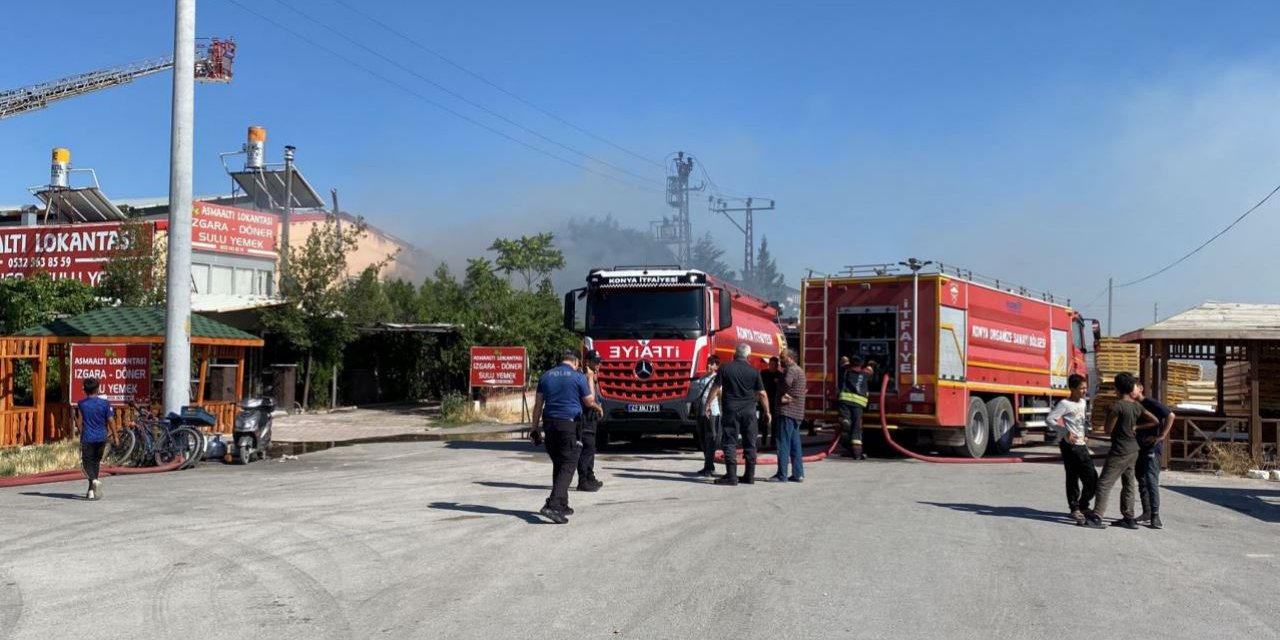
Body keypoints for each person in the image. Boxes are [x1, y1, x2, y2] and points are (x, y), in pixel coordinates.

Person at [530, 350, 601, 524]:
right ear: (576, 361)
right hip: (568, 425)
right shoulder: (578, 377)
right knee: (569, 465)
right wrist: (598, 407)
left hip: (549, 424)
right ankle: (553, 505)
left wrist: (535, 429)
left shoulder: (546, 376)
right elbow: (588, 401)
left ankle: (562, 503)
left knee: (559, 464)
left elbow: (538, 404)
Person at [1092, 372, 1158, 529]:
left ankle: (1097, 516)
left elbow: (1108, 429)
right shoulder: (1136, 406)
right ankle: (1129, 517)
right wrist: (1136, 427)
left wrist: (1109, 412)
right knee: (1128, 484)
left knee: (1104, 483)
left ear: (1117, 389)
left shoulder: (1117, 406)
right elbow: (1154, 421)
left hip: (1120, 450)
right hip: (1133, 449)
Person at [707, 343, 771, 486]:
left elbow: (715, 388)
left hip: (731, 411)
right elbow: (762, 394)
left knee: (730, 442)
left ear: (734, 354)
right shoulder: (754, 371)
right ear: (748, 356)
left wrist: (707, 404)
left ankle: (731, 476)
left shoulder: (725, 368)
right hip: (749, 412)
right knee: (750, 443)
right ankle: (749, 475)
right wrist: (767, 411)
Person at [1045, 374, 1102, 527]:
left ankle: (1083, 505)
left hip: (1081, 444)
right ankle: (1075, 507)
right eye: (1081, 388)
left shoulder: (1083, 402)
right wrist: (1064, 431)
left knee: (1091, 477)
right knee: (1073, 476)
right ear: (1072, 389)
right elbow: (1050, 419)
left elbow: (1083, 421)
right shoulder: (1064, 403)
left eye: (1085, 387)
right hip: (1070, 445)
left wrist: (1087, 434)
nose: (1084, 391)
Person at [1133, 382, 1175, 530]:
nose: (1131, 392)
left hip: (1152, 448)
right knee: (1141, 478)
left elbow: (1170, 415)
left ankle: (1155, 516)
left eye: (1133, 388)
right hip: (1139, 447)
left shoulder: (1149, 403)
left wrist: (1162, 435)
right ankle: (1146, 511)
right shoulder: (1133, 405)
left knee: (1151, 480)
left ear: (1140, 388)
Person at [770, 349, 807, 482]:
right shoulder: (800, 370)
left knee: (783, 444)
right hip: (797, 413)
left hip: (787, 412)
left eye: (782, 358)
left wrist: (778, 383)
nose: (780, 360)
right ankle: (798, 474)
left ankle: (782, 474)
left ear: (791, 358)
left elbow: (786, 383)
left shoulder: (791, 370)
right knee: (795, 445)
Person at [77, 377, 112, 501]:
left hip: (88, 437)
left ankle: (94, 481)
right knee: (96, 462)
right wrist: (116, 436)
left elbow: (79, 422)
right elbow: (110, 420)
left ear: (84, 390)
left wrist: (80, 432)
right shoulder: (105, 403)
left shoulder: (81, 404)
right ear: (98, 389)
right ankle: (91, 491)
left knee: (86, 463)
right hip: (102, 437)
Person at [576, 350, 605, 492]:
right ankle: (583, 481)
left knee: (591, 448)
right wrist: (590, 377)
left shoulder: (593, 376)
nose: (599, 364)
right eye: (596, 361)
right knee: (587, 449)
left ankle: (589, 476)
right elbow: (590, 399)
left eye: (600, 361)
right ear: (588, 362)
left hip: (591, 417)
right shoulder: (584, 377)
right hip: (585, 417)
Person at [837, 355, 871, 459]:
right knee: (856, 427)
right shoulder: (865, 374)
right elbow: (872, 370)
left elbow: (844, 364)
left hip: (845, 401)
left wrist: (845, 360)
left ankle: (846, 421)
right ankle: (857, 454)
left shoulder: (846, 371)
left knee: (846, 422)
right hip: (858, 403)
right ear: (861, 365)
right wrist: (872, 363)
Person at [696, 355, 723, 477]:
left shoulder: (717, 379)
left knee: (711, 439)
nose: (709, 365)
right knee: (702, 439)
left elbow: (720, 395)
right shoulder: (702, 379)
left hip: (712, 412)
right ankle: (707, 464)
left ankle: (710, 466)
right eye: (708, 363)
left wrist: (722, 412)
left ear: (716, 366)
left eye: (711, 364)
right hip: (701, 412)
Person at [759, 356, 783, 449]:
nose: (772, 366)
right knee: (764, 421)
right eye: (771, 364)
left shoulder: (780, 375)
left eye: (774, 364)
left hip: (775, 401)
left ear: (777, 365)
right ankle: (764, 440)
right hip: (765, 401)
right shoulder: (763, 373)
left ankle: (773, 441)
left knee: (775, 423)